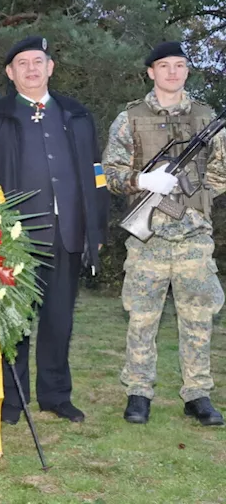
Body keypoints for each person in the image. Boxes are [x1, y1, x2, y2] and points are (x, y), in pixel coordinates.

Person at [0, 35, 108, 424]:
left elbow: (96, 175)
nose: (31, 69)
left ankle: (56, 395)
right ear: (10, 74)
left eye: (38, 62)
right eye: (22, 64)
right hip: (15, 241)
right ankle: (12, 400)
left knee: (59, 320)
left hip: (67, 235)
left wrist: (94, 229)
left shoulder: (77, 116)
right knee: (13, 322)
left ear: (50, 67)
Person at [102, 42, 226, 426]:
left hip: (193, 238)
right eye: (164, 66)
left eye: (180, 66)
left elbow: (222, 171)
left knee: (198, 317)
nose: (173, 72)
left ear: (187, 71)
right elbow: (110, 174)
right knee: (141, 317)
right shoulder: (129, 119)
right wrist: (146, 181)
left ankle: (198, 394)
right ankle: (138, 392)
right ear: (151, 72)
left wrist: (189, 189)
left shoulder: (206, 118)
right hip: (148, 239)